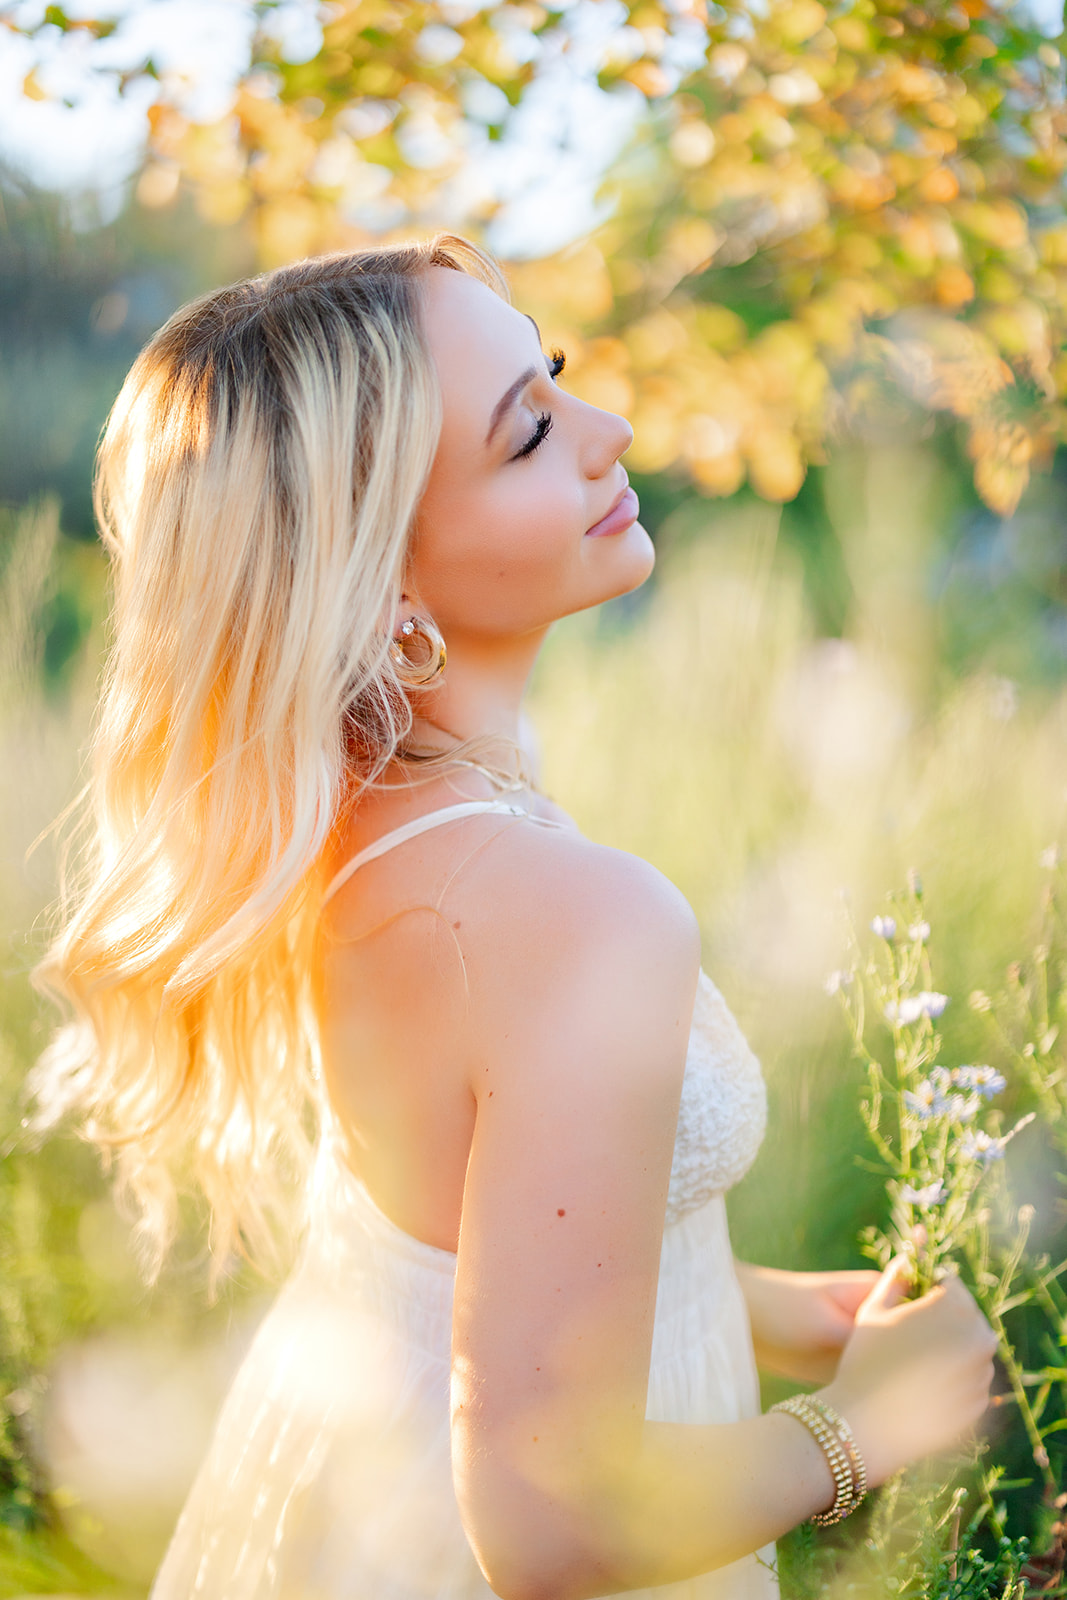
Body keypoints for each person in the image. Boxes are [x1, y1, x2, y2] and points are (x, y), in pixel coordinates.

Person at [33, 235, 998, 1600]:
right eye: (530, 432)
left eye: (557, 376)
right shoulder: (564, 912)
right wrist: (871, 1426)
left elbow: (448, 1239)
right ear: (385, 586)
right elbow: (551, 1525)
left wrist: (760, 1304)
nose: (607, 432)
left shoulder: (354, 840)